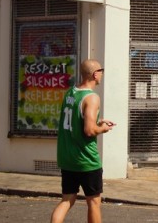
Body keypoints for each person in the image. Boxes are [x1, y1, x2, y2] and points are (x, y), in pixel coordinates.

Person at [51, 59, 115, 223]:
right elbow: (89, 130)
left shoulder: (71, 92)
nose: (102, 74)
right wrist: (103, 128)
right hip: (86, 159)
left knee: (67, 200)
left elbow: (77, 121)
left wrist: (98, 122)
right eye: (101, 70)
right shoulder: (92, 97)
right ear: (95, 74)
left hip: (67, 159)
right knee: (94, 202)